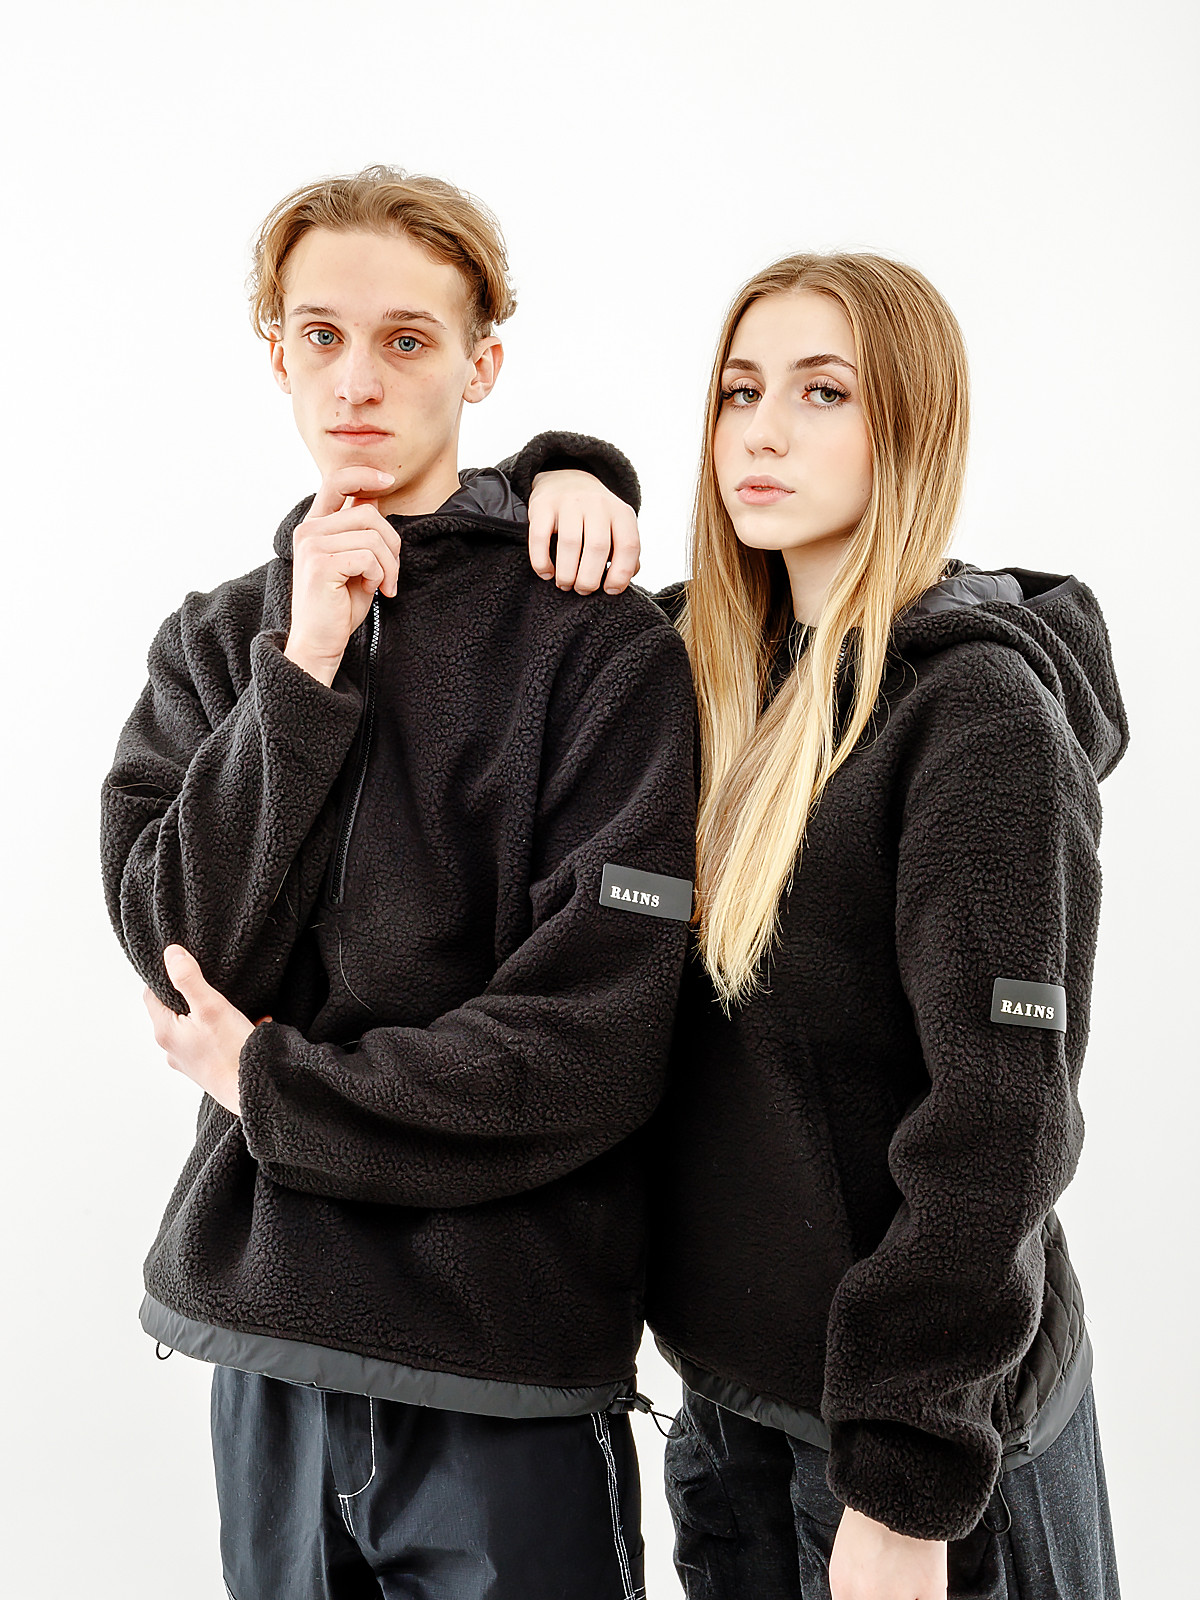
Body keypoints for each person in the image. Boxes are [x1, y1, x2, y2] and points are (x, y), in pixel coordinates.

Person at [99, 164, 699, 1600]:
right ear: (276, 355)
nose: (356, 379)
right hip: (266, 1348)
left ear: (483, 364)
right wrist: (302, 670)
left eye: (407, 339)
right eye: (321, 334)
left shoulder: (598, 647)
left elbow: (595, 1043)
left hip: (504, 1358)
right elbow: (178, 948)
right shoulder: (220, 645)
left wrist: (276, 1089)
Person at [525, 252, 1128, 1599]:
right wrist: (557, 476)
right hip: (731, 1412)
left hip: (923, 1442)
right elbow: (492, 627)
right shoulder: (697, 669)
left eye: (823, 392)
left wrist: (907, 1479)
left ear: (910, 426)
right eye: (740, 392)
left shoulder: (974, 717)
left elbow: (1003, 1122)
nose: (763, 433)